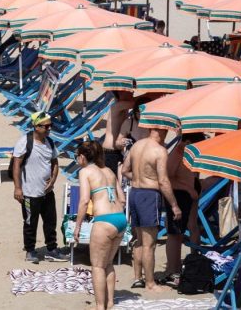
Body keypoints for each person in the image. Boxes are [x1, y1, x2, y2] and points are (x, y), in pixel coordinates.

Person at [122, 126, 182, 291]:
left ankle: (137, 278)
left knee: (140, 240)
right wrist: (174, 205)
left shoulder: (137, 145)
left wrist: (140, 179)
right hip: (149, 196)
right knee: (150, 243)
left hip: (134, 193)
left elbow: (124, 170)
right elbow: (163, 181)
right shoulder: (160, 151)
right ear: (161, 131)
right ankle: (150, 283)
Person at [71, 141, 125, 310]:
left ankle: (100, 306)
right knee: (108, 264)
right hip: (120, 218)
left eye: (76, 157)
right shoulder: (109, 170)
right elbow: (122, 198)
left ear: (82, 157)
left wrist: (78, 226)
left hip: (104, 220)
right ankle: (110, 304)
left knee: (97, 266)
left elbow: (84, 201)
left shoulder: (85, 171)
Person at [11, 111, 66, 263]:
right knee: (30, 223)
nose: (49, 129)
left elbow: (55, 162)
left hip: (47, 192)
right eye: (46, 126)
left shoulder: (50, 142)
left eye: (51, 126)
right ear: (36, 126)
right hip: (29, 192)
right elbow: (16, 165)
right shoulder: (24, 142)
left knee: (50, 222)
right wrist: (17, 188)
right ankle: (30, 251)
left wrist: (53, 180)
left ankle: (52, 249)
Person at [163, 133, 203, 284]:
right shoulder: (176, 154)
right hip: (179, 193)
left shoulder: (188, 153)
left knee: (193, 227)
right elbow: (168, 179)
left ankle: (195, 259)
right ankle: (173, 270)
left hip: (190, 189)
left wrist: (194, 187)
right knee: (175, 233)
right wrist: (188, 188)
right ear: (185, 142)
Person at [101, 91, 134, 178]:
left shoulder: (124, 108)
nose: (132, 93)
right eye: (129, 92)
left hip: (118, 151)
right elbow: (138, 103)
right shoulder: (116, 106)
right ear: (120, 93)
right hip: (109, 152)